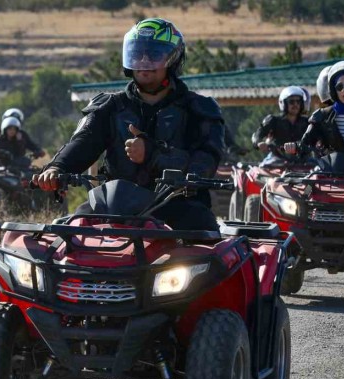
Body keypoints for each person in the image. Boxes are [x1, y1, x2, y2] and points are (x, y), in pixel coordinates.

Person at [33, 18, 225, 231]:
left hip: (176, 206)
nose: (144, 62)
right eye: (137, 54)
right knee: (71, 234)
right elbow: (83, 142)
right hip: (113, 205)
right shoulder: (109, 106)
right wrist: (58, 167)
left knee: (205, 234)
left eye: (153, 54)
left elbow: (206, 162)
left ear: (173, 58)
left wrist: (152, 154)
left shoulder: (200, 109)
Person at [0, 116, 44, 194]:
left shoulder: (19, 139)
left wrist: (38, 151)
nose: (12, 131)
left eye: (14, 129)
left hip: (13, 165)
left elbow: (27, 148)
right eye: (10, 129)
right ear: (5, 128)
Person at [252, 86, 309, 166]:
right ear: (283, 103)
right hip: (277, 160)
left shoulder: (307, 122)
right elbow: (258, 134)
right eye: (291, 102)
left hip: (302, 162)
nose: (295, 104)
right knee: (264, 169)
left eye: (298, 101)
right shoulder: (273, 120)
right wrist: (259, 143)